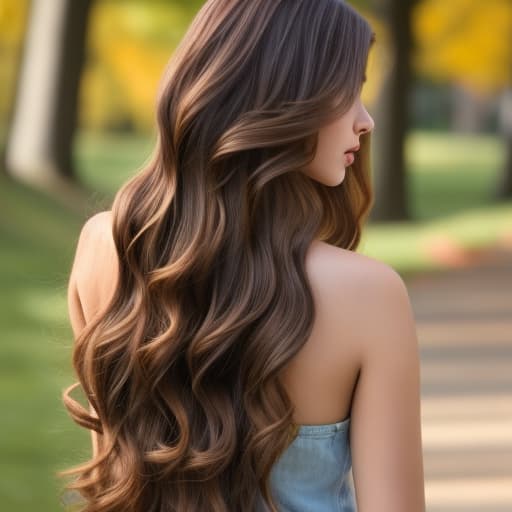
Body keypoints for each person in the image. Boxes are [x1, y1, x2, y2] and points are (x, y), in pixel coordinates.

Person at [61, 0, 426, 511]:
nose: (365, 121)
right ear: (286, 94)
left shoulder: (105, 247)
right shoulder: (369, 294)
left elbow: (113, 485)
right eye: (351, 89)